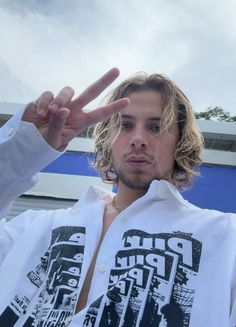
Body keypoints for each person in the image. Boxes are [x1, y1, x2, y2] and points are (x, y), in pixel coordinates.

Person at [0, 68, 236, 327]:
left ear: (180, 141)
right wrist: (23, 150)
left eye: (156, 127)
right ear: (108, 138)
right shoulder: (35, 226)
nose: (138, 139)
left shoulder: (225, 237)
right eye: (125, 125)